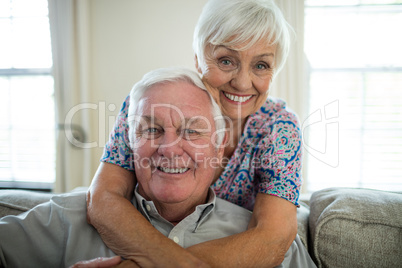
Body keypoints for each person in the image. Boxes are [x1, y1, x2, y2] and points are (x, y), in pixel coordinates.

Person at [0, 67, 314, 268]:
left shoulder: (272, 248)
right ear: (128, 142)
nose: (169, 148)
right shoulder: (63, 218)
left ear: (220, 148)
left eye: (192, 130)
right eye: (150, 129)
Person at [87, 0, 304, 267]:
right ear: (198, 59)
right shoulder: (150, 103)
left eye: (261, 66)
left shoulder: (278, 128)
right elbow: (103, 198)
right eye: (226, 60)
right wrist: (173, 261)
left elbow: (273, 238)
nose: (243, 82)